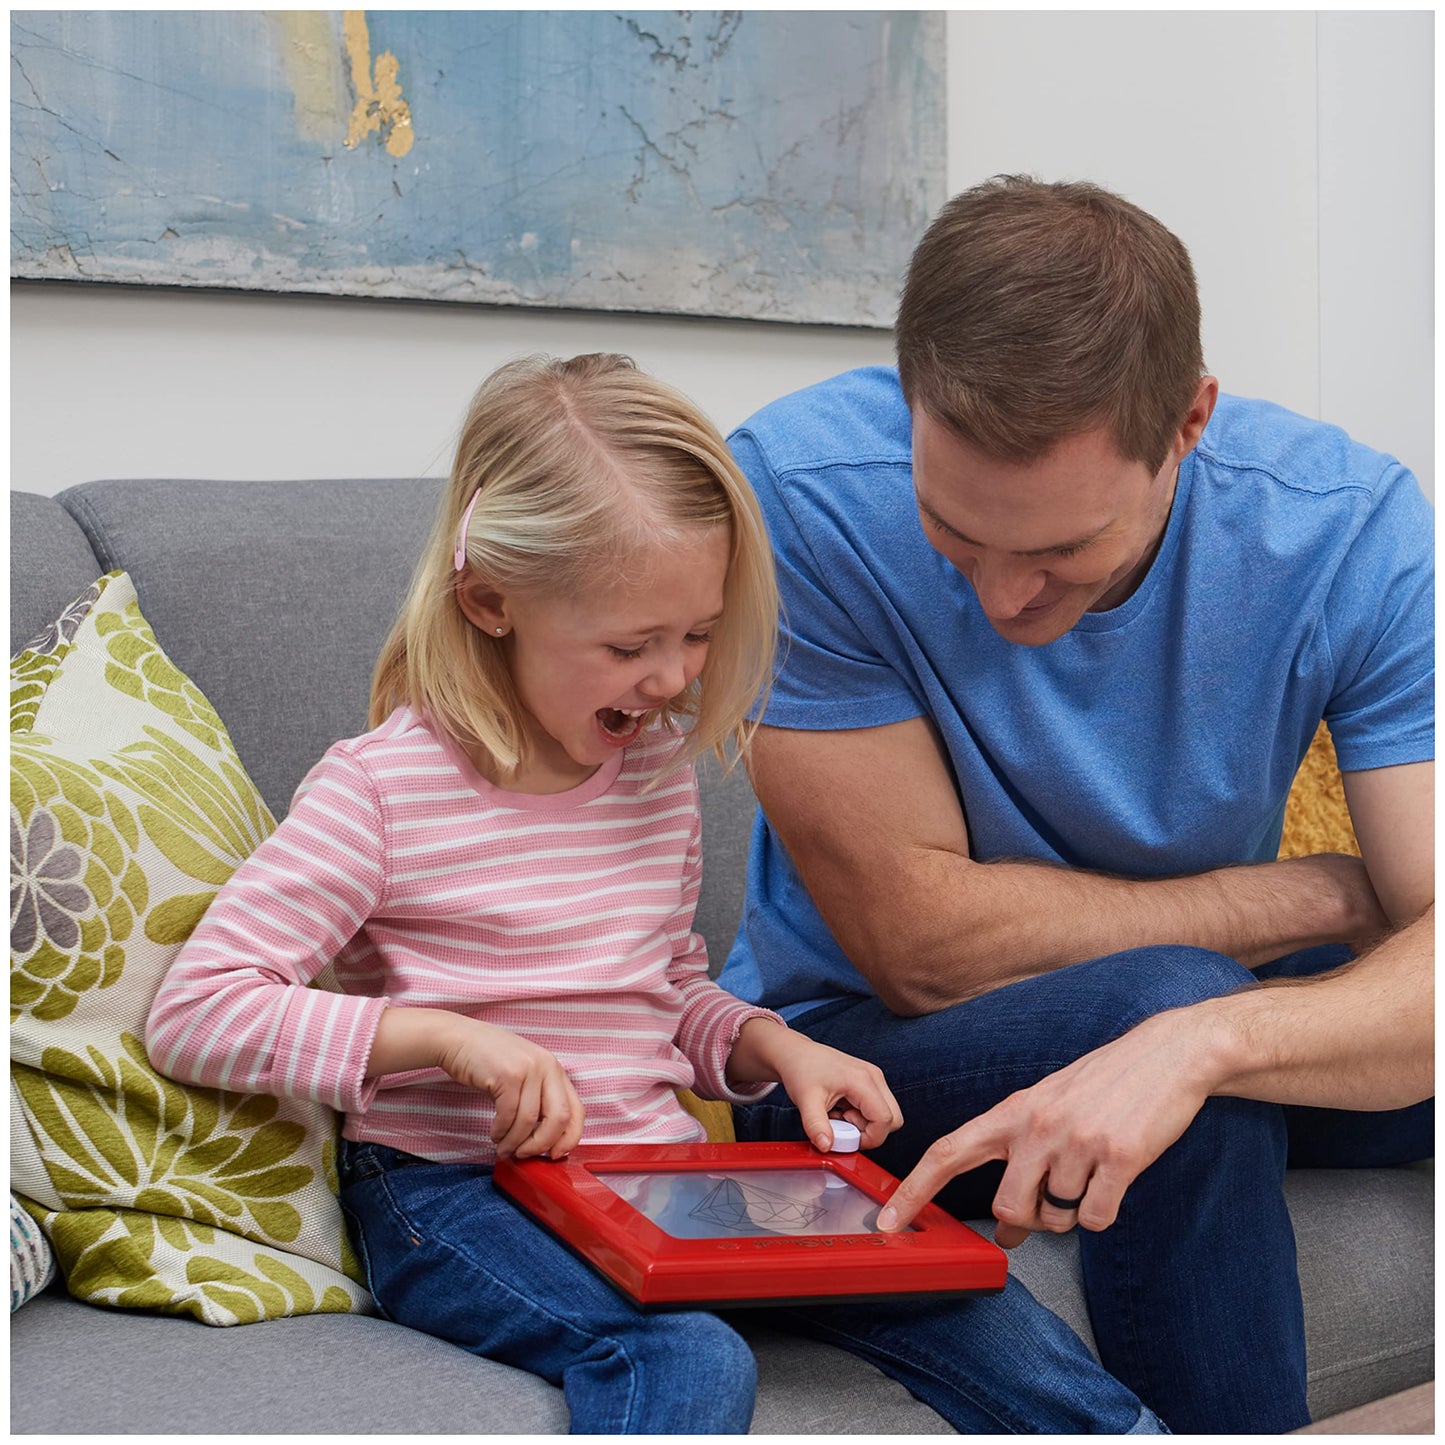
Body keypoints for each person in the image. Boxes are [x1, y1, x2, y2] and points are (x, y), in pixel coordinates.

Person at [145, 353, 1167, 1435]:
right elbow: (199, 1008)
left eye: (697, 633)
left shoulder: (652, 773)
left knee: (956, 1287)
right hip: (448, 1186)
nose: (674, 676)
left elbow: (664, 993)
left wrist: (775, 1049)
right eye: (631, 644)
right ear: (488, 600)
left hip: (652, 1172)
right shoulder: (381, 790)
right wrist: (445, 1038)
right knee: (680, 1350)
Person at [718, 177, 1434, 1434]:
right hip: (850, 1065)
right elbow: (919, 950)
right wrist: (1309, 897)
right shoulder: (799, 496)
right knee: (1177, 1009)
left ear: (1189, 421)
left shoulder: (1346, 529)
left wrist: (1206, 1042)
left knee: (1203, 1031)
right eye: (951, 532)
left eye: (1059, 552)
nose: (1001, 598)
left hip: (1188, 1002)